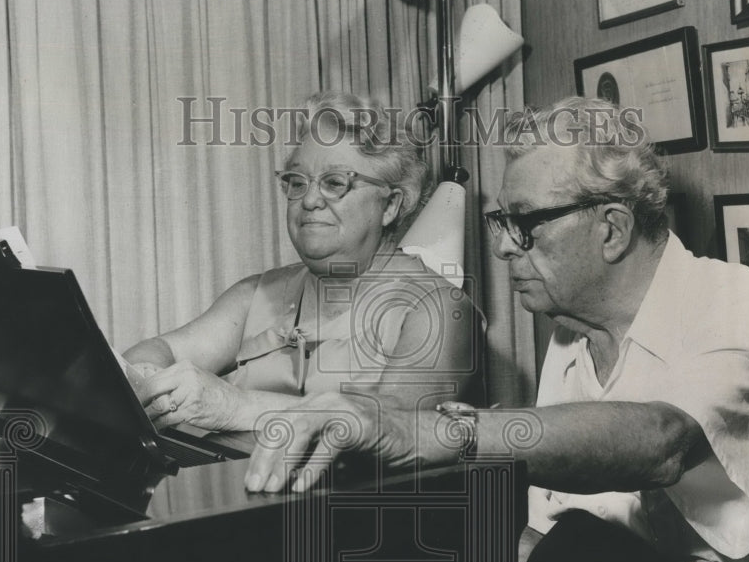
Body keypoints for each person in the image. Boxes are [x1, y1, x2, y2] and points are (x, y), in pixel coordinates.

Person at [245, 96, 749, 562]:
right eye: (501, 222)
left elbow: (661, 441)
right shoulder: (571, 327)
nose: (506, 249)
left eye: (524, 225)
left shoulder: (744, 304)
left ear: (612, 229)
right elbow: (561, 517)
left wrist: (427, 432)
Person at [124, 91, 483, 458]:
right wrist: (148, 377)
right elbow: (161, 349)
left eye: (334, 183)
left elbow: (387, 432)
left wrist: (234, 406)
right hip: (228, 498)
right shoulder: (257, 293)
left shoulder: (440, 311)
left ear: (389, 205)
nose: (309, 200)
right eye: (297, 182)